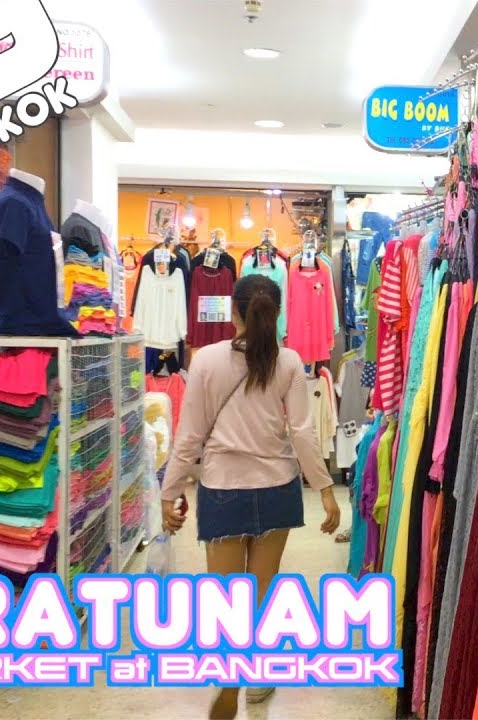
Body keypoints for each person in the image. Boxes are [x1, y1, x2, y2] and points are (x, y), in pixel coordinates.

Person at [161, 274, 341, 720]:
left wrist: (170, 491)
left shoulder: (207, 360)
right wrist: (325, 490)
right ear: (277, 313)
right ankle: (257, 676)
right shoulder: (289, 361)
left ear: (234, 312)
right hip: (277, 487)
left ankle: (228, 677)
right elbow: (302, 433)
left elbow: (190, 434)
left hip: (223, 486)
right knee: (262, 590)